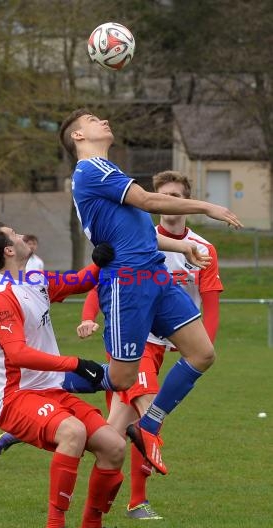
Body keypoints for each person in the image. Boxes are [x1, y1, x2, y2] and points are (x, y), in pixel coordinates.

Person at [59, 109, 242, 474]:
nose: (104, 121)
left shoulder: (106, 172)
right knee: (123, 378)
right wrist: (207, 206)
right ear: (78, 136)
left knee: (203, 353)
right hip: (128, 283)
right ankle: (42, 384)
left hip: (154, 276)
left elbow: (135, 229)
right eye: (93, 120)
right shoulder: (92, 170)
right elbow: (148, 201)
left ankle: (149, 425)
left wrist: (181, 247)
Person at [77, 170, 223, 519]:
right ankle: (137, 502)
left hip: (173, 339)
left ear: (184, 200)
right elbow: (102, 278)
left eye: (176, 196)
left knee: (112, 435)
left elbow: (211, 303)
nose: (170, 202)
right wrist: (88, 315)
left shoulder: (203, 248)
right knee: (147, 420)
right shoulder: (138, 236)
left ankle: (46, 436)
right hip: (138, 341)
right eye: (164, 196)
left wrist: (203, 351)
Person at [0, 222, 128, 528]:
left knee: (114, 447)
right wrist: (74, 363)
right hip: (15, 397)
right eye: (15, 234)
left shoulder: (34, 279)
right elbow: (17, 353)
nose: (22, 235)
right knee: (72, 432)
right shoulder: (0, 295)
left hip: (52, 391)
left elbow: (80, 281)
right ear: (9, 251)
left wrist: (99, 261)